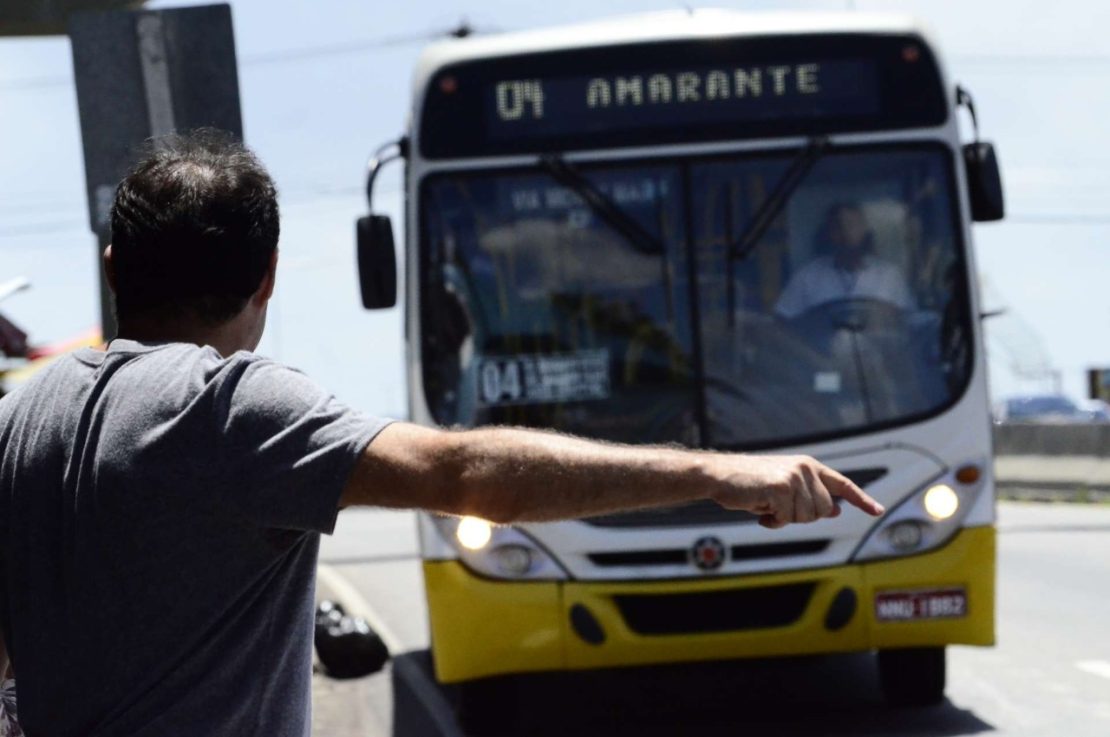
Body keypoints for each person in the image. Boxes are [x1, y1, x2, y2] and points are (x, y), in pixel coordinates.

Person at [0, 130, 883, 736]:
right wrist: (718, 472)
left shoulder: (18, 418)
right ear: (268, 276)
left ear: (113, 267)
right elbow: (466, 472)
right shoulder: (228, 406)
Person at [775, 202, 915, 319]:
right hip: (820, 352)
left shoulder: (890, 276)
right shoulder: (807, 277)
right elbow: (783, 323)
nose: (846, 233)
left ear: (865, 229)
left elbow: (910, 322)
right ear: (829, 233)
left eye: (852, 225)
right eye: (838, 227)